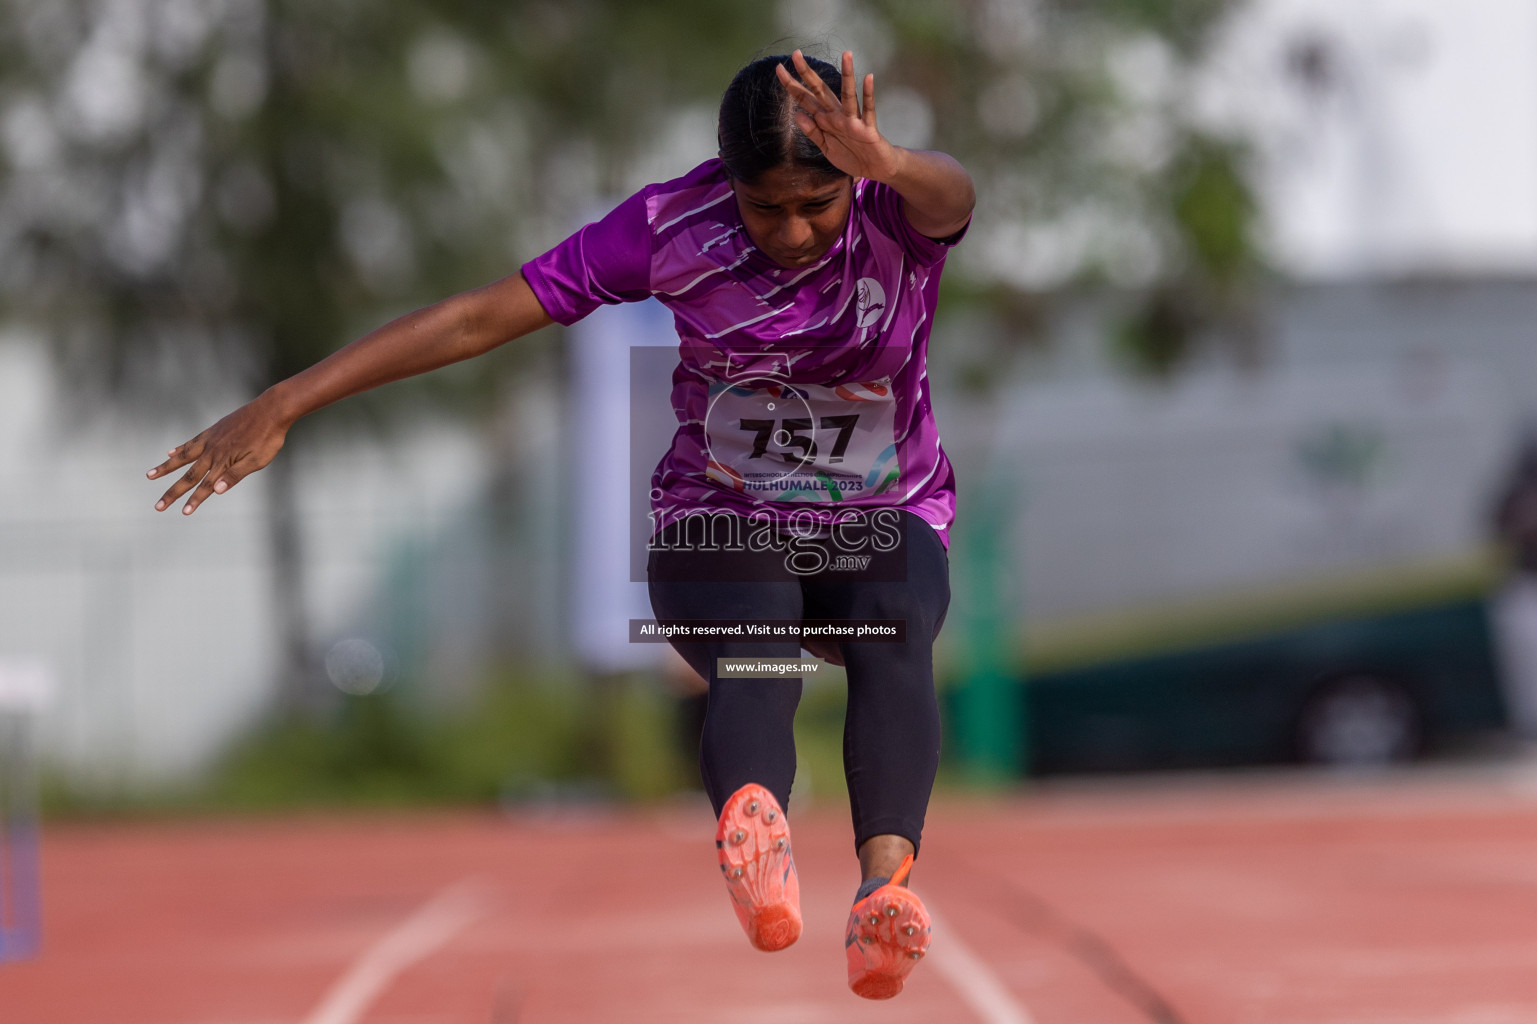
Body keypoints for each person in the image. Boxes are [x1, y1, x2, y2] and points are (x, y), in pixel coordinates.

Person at [148, 49, 974, 999]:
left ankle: (882, 897)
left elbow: (953, 195)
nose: (791, 230)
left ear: (851, 179)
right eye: (765, 208)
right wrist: (287, 400)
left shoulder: (891, 210)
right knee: (754, 647)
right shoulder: (673, 225)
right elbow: (474, 319)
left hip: (881, 509)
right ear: (726, 182)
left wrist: (893, 163)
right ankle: (757, 832)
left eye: (814, 207)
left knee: (895, 631)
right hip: (725, 514)